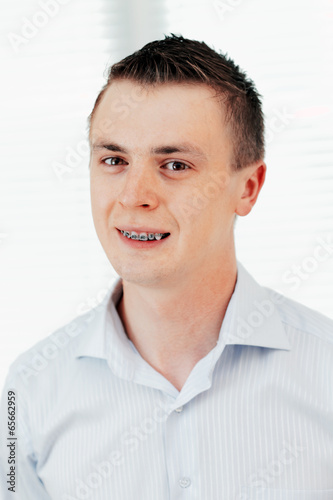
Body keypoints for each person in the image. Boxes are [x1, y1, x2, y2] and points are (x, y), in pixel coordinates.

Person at [1, 34, 332, 500]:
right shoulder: (27, 393)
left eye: (175, 165)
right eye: (114, 159)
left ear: (249, 187)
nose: (134, 195)